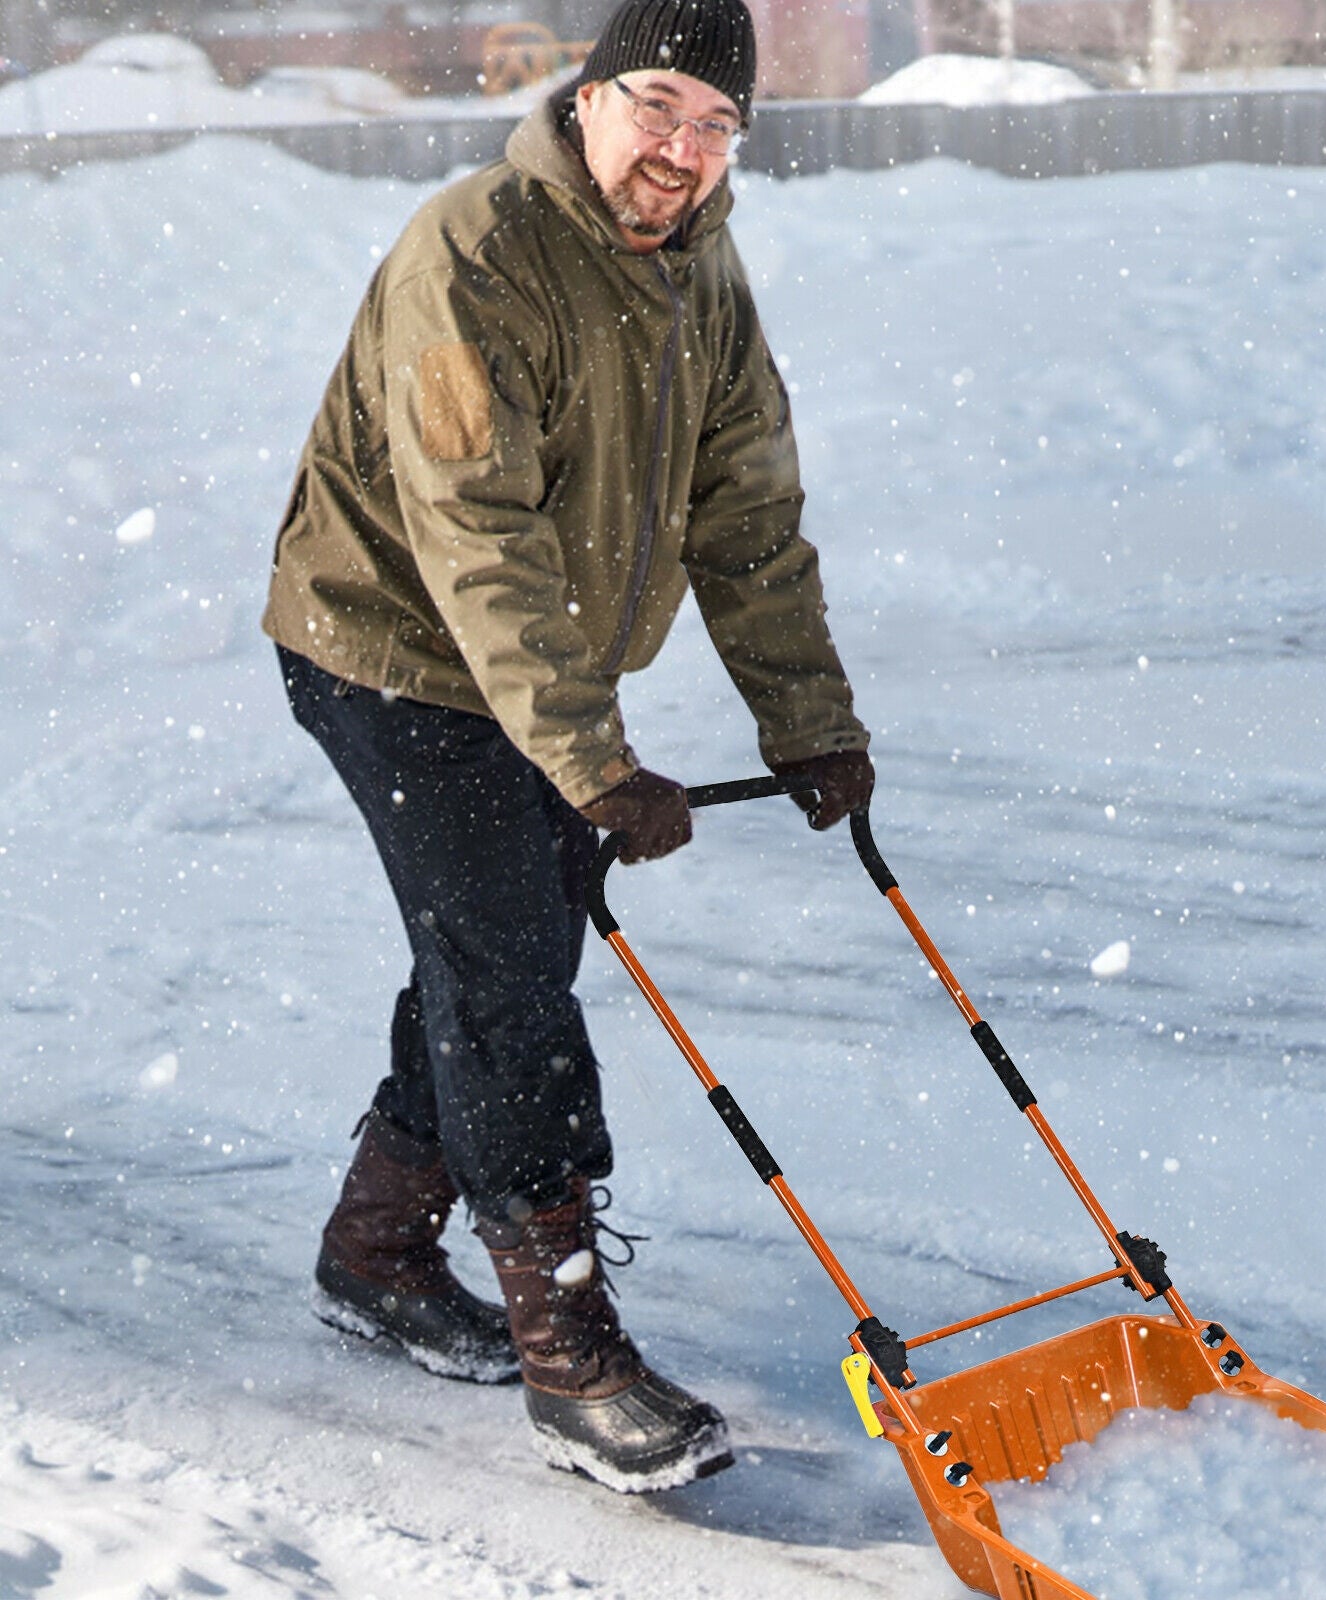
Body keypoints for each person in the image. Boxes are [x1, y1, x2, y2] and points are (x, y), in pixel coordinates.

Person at [262, 0, 872, 1494]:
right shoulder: (476, 254)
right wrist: (592, 758)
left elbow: (747, 516)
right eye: (659, 107)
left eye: (717, 124)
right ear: (590, 98)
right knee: (509, 972)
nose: (683, 150)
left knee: (507, 948)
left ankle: (380, 1246)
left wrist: (811, 723)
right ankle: (570, 1354)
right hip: (391, 653)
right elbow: (481, 543)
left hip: (533, 675)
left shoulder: (702, 274)